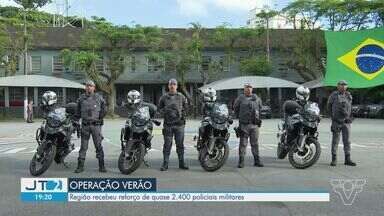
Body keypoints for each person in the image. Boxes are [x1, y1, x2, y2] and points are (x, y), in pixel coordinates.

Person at [74, 80, 108, 173]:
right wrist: (75, 121)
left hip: (96, 126)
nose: (88, 87)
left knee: (98, 146)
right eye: (87, 86)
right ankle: (80, 166)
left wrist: (100, 118)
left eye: (91, 86)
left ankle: (102, 166)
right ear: (85, 87)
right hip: (85, 126)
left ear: (94, 88)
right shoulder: (81, 99)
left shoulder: (99, 98)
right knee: (83, 147)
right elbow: (77, 112)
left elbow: (104, 109)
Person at [158, 78, 189, 171]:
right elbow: (159, 109)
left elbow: (187, 107)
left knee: (180, 145)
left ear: (177, 86)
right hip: (168, 125)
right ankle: (165, 164)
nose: (172, 86)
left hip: (179, 125)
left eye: (174, 84)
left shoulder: (181, 96)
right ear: (168, 86)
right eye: (171, 84)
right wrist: (165, 112)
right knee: (167, 145)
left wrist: (183, 116)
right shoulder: (164, 97)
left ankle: (181, 163)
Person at [233, 83, 264, 168]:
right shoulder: (240, 98)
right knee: (243, 143)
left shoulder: (257, 98)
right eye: (247, 88)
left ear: (252, 89)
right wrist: (239, 118)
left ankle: (257, 161)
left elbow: (260, 108)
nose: (249, 89)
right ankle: (241, 162)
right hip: (244, 125)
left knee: (255, 143)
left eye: (250, 87)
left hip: (254, 125)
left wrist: (258, 119)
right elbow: (235, 108)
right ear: (244, 89)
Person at [327, 80, 356, 167]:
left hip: (346, 122)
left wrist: (350, 117)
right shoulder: (334, 95)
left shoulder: (348, 95)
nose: (343, 86)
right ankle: (334, 158)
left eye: (345, 85)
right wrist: (332, 118)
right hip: (336, 121)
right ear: (337, 86)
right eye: (341, 85)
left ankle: (347, 159)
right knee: (335, 140)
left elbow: (349, 107)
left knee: (347, 141)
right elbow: (328, 106)